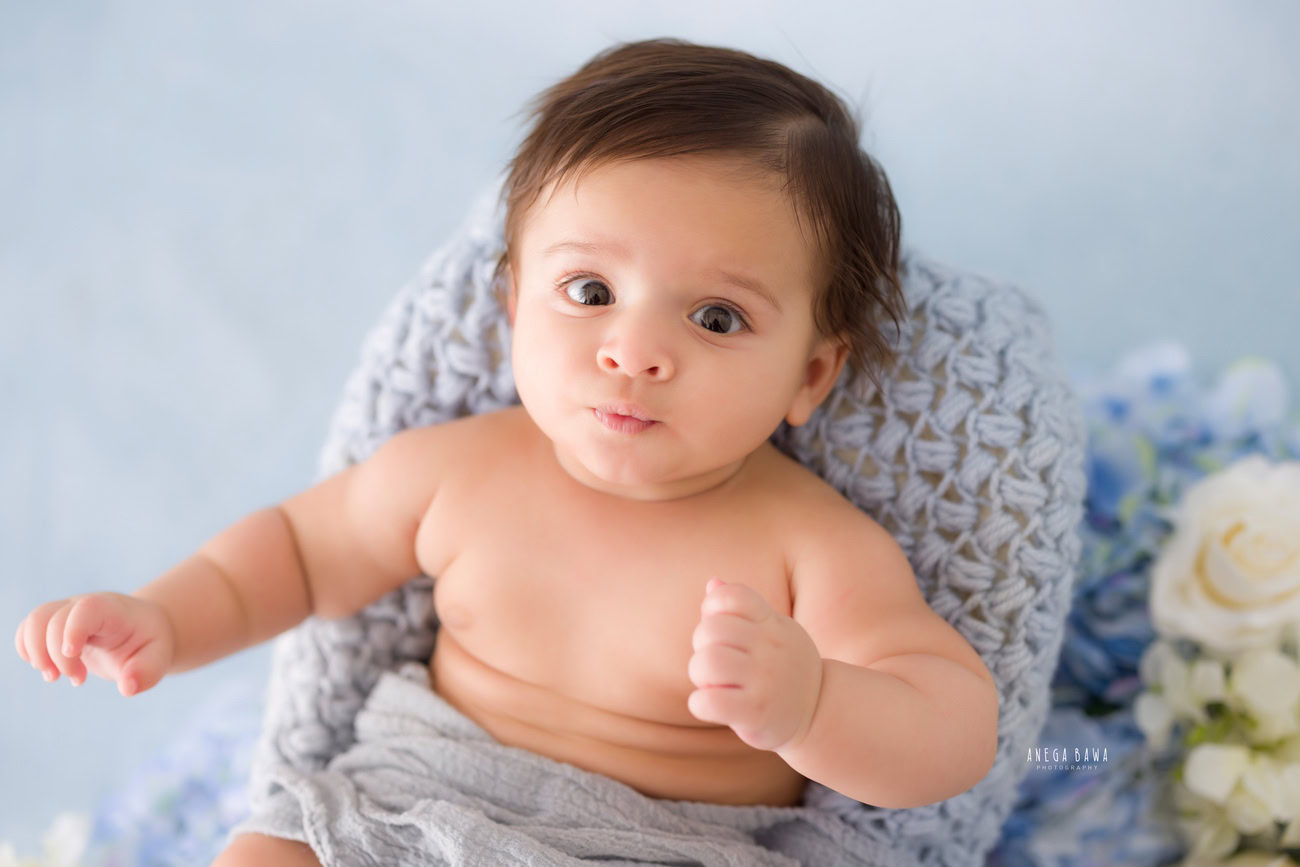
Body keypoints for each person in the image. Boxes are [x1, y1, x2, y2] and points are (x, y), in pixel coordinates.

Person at [14, 37, 998, 866]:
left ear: (810, 377)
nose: (634, 351)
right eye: (589, 292)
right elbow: (293, 556)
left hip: (660, 845)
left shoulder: (807, 548)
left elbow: (951, 731)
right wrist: (164, 619)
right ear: (509, 306)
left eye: (715, 316)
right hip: (405, 805)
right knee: (266, 853)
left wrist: (814, 700)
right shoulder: (459, 472)